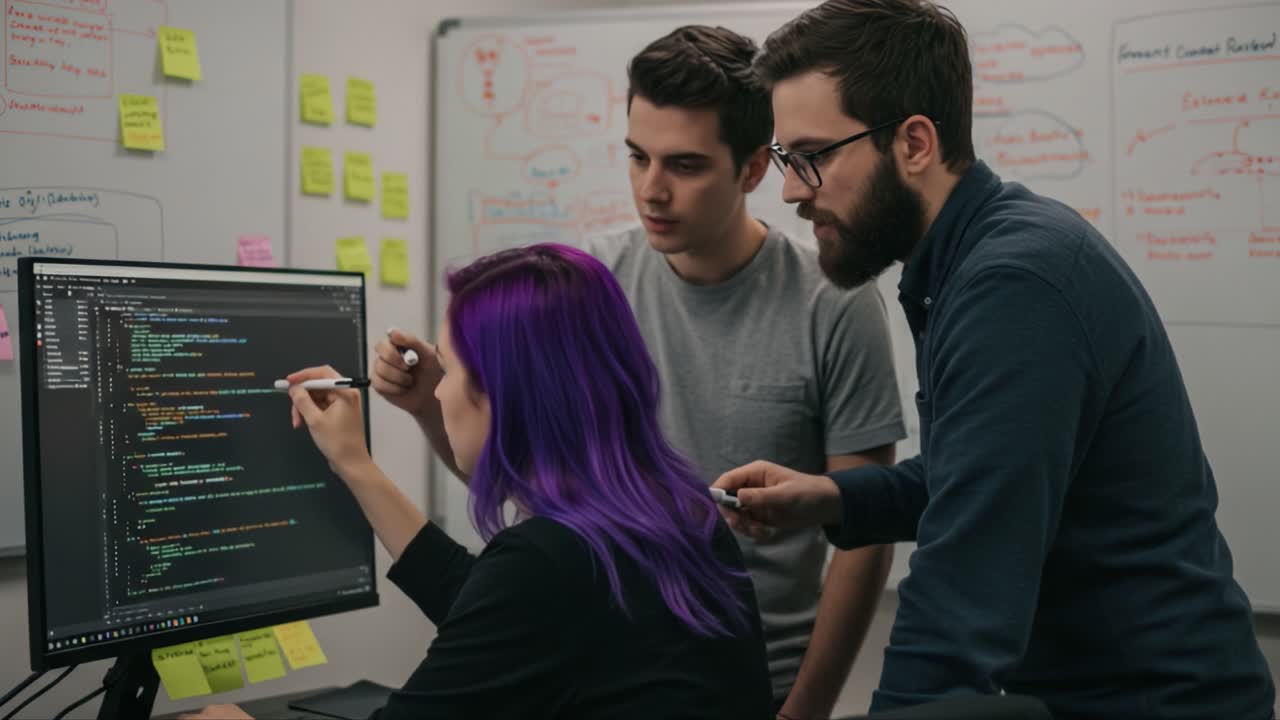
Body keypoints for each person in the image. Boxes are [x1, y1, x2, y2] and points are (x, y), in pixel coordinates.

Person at [712, 1, 1278, 719]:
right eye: (787, 160)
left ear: (914, 144)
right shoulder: (977, 259)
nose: (792, 190)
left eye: (813, 157)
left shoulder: (1015, 287)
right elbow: (979, 474)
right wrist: (833, 497)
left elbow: (961, 585)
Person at [380, 25, 906, 719]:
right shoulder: (592, 281)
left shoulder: (832, 302)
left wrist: (802, 712)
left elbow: (863, 531)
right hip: (608, 674)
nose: (651, 190)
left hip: (761, 682)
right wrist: (430, 407)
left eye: (684, 165)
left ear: (753, 169)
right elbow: (528, 472)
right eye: (637, 157)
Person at [181, 245, 772, 720]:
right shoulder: (681, 513)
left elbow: (512, 600)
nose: (437, 390)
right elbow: (492, 609)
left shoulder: (548, 561)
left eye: (449, 368)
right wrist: (353, 463)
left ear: (503, 394)